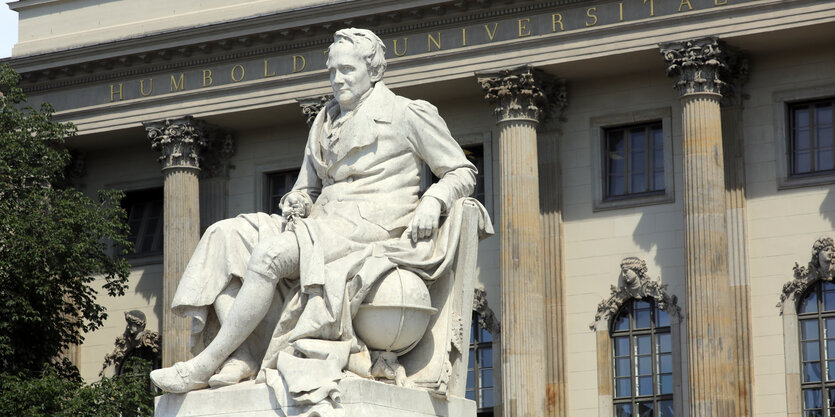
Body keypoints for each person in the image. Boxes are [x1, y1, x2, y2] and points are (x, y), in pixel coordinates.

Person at [150, 28, 480, 405]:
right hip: (322, 221)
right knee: (225, 236)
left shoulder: (407, 113)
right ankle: (241, 355)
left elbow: (461, 171)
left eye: (347, 70)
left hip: (369, 227)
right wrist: (295, 200)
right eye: (332, 71)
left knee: (269, 256)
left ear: (373, 71)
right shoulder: (324, 120)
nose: (337, 79)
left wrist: (434, 199)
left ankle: (205, 364)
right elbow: (307, 188)